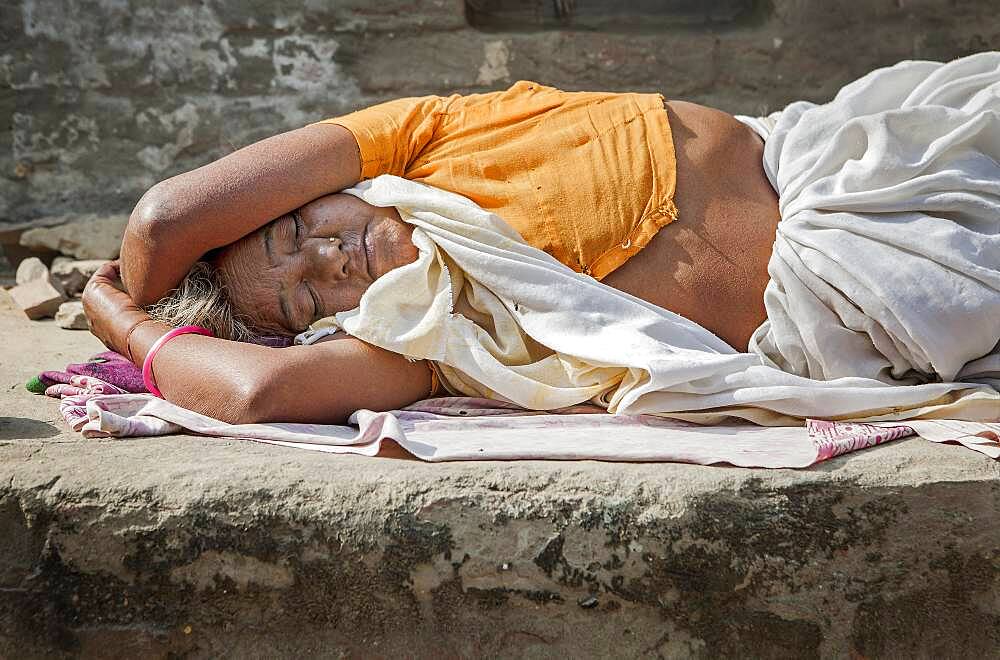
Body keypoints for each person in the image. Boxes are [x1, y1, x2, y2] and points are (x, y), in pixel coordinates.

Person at [83, 53, 1000, 426]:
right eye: (301, 299)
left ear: (309, 188)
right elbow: (257, 393)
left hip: (848, 156)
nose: (326, 261)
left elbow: (164, 219)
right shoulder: (432, 330)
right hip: (871, 280)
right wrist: (121, 320)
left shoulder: (419, 136)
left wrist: (130, 274)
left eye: (295, 230)